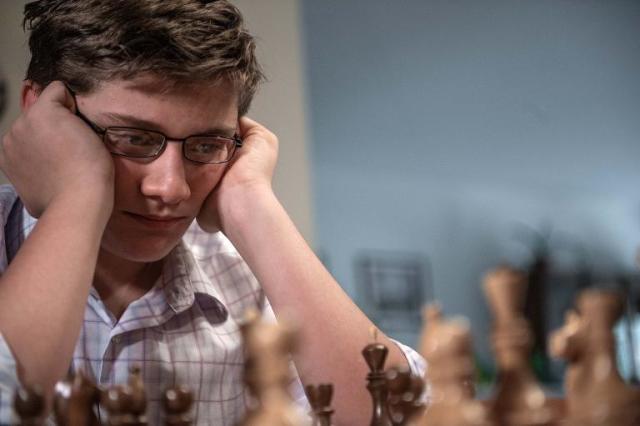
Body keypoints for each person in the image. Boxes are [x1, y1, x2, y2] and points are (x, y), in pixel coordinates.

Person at [0, 1, 425, 424]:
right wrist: (78, 195)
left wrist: (252, 204)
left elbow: (399, 417)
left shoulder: (255, 279)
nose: (171, 188)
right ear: (41, 115)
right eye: (131, 138)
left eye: (205, 146)